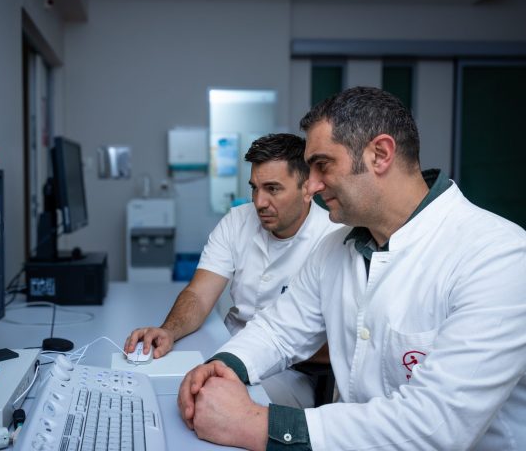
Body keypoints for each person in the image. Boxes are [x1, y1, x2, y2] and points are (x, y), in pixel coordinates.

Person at [177, 86, 526, 450]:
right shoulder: (335, 248)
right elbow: (279, 330)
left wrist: (255, 424)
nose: (312, 185)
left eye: (322, 165)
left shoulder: (498, 257)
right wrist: (222, 366)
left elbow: (436, 425)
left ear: (380, 154)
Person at [125, 133, 341, 408]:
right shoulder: (237, 221)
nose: (259, 202)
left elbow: (337, 342)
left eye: (273, 189)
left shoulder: (333, 239)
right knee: (162, 387)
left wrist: (257, 354)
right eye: (255, 188)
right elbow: (199, 294)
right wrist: (168, 331)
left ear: (308, 188)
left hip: (291, 370)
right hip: (230, 346)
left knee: (210, 403)